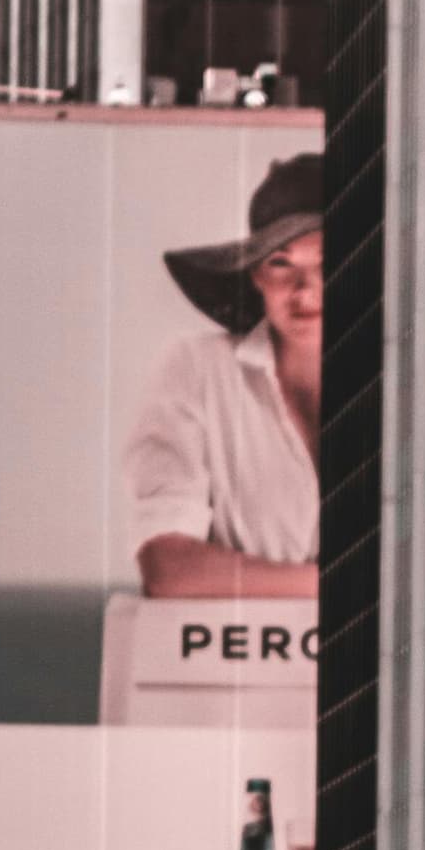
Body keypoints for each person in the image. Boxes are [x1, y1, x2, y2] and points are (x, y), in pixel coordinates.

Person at [129, 164, 322, 597]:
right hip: (230, 644)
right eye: (280, 263)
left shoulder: (411, 381)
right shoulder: (197, 369)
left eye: (328, 263)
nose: (305, 291)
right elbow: (168, 568)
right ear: (255, 274)